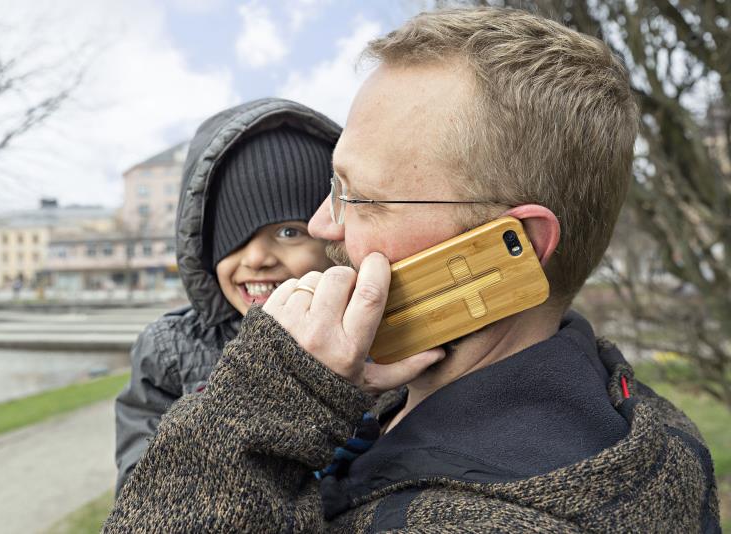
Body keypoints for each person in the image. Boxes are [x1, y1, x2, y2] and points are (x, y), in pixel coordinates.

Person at [105, 8, 719, 532]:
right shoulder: (642, 420)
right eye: (332, 185)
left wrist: (258, 406)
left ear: (520, 244)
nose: (323, 226)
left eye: (360, 196)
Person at [113, 98, 339, 493]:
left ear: (335, 241)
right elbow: (145, 497)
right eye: (233, 237)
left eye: (289, 232)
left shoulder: (383, 342)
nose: (255, 258)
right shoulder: (167, 352)